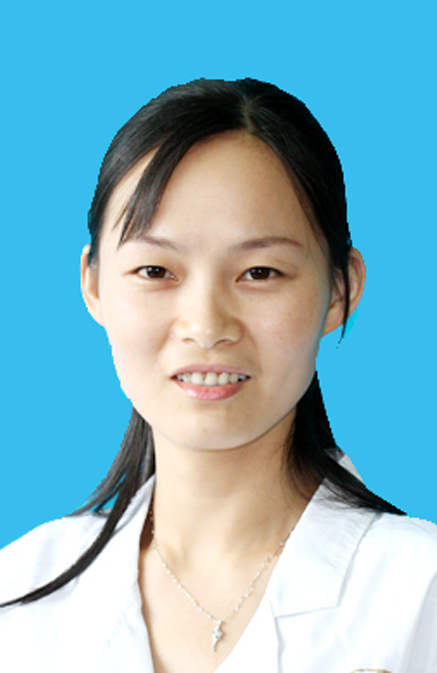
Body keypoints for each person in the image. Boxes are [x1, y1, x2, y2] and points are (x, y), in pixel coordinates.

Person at [0, 78, 436, 673]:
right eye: (156, 270)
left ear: (341, 290)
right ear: (94, 284)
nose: (206, 326)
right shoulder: (18, 598)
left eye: (260, 272)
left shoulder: (418, 594)